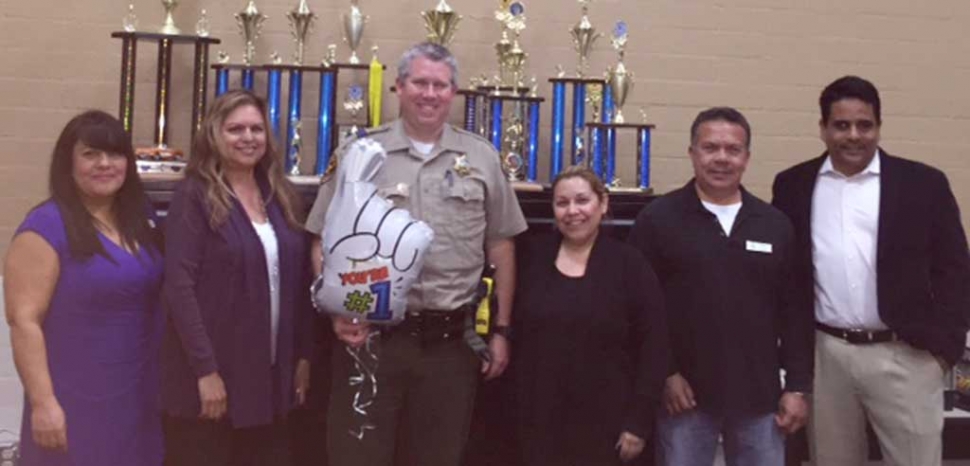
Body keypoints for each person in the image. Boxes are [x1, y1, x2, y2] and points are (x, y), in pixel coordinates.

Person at [305, 42, 527, 466]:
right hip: (371, 339)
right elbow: (322, 239)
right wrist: (342, 311)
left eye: (440, 85)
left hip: (450, 345)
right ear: (399, 88)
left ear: (454, 92)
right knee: (357, 457)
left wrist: (501, 329)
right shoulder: (361, 153)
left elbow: (501, 243)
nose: (430, 93)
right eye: (420, 83)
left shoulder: (480, 156)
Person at [771, 76, 970, 466]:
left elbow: (955, 270)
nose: (854, 136)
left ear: (878, 126)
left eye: (865, 125)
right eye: (841, 125)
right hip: (826, 357)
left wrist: (943, 353)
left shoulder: (923, 184)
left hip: (906, 354)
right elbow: (789, 281)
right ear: (823, 129)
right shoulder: (793, 185)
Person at [628, 107, 814, 466]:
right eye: (710, 147)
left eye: (733, 149)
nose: (721, 158)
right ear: (692, 153)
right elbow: (640, 311)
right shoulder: (658, 220)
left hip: (760, 399)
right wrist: (665, 373)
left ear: (746, 157)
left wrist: (797, 386)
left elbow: (795, 313)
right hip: (684, 399)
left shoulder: (774, 225)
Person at [161, 89, 314, 466]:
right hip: (215, 377)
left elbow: (299, 283)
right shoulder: (193, 197)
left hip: (270, 377)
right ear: (214, 135)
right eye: (235, 129)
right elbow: (179, 287)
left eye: (256, 129)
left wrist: (304, 356)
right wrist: (205, 370)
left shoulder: (279, 195)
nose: (248, 138)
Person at [4, 110, 164, 465]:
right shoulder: (44, 227)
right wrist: (44, 403)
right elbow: (23, 322)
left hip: (136, 395)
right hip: (74, 398)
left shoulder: (139, 220)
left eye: (115, 154)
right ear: (69, 164)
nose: (105, 164)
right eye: (91, 154)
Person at [513, 166, 668, 466]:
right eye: (562, 203)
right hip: (538, 421)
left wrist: (638, 423)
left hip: (607, 426)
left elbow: (654, 347)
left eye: (582, 200)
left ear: (603, 204)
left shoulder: (629, 265)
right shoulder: (532, 258)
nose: (573, 211)